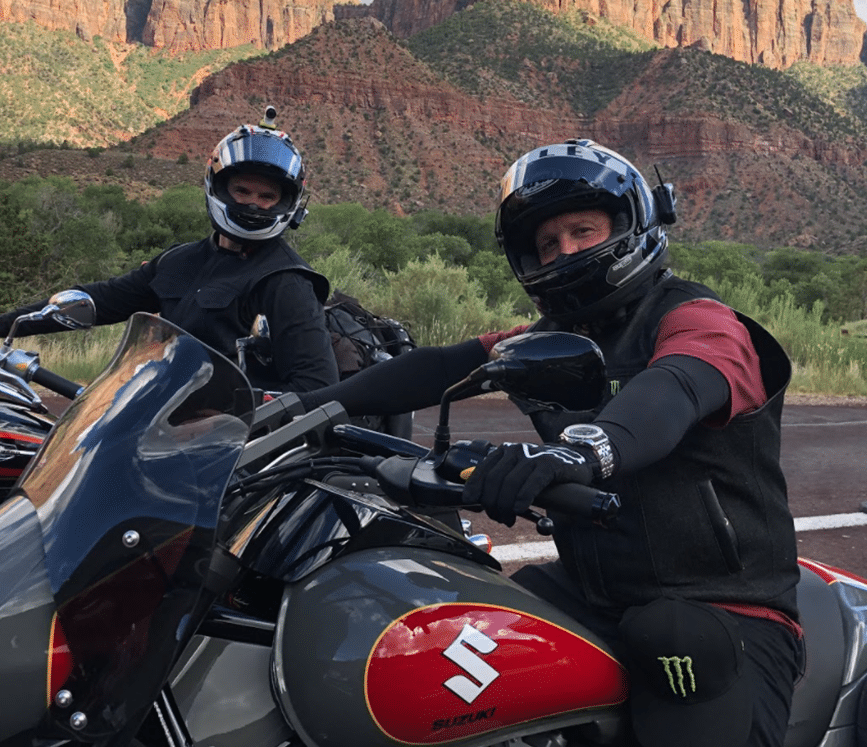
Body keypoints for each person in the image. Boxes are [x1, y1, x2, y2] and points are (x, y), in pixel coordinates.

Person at [296, 139, 803, 747]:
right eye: (546, 243)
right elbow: (444, 366)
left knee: (674, 639)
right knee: (460, 617)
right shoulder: (549, 338)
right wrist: (303, 409)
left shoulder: (698, 320)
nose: (565, 251)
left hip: (724, 603)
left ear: (629, 226)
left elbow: (674, 388)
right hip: (597, 591)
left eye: (582, 230)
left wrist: (581, 450)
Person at [0, 112, 339, 394]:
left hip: (231, 449)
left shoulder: (285, 280)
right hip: (159, 423)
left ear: (285, 204)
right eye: (242, 191)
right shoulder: (180, 260)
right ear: (219, 188)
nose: (254, 205)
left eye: (267, 196)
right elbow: (103, 299)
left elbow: (316, 385)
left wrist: (235, 405)